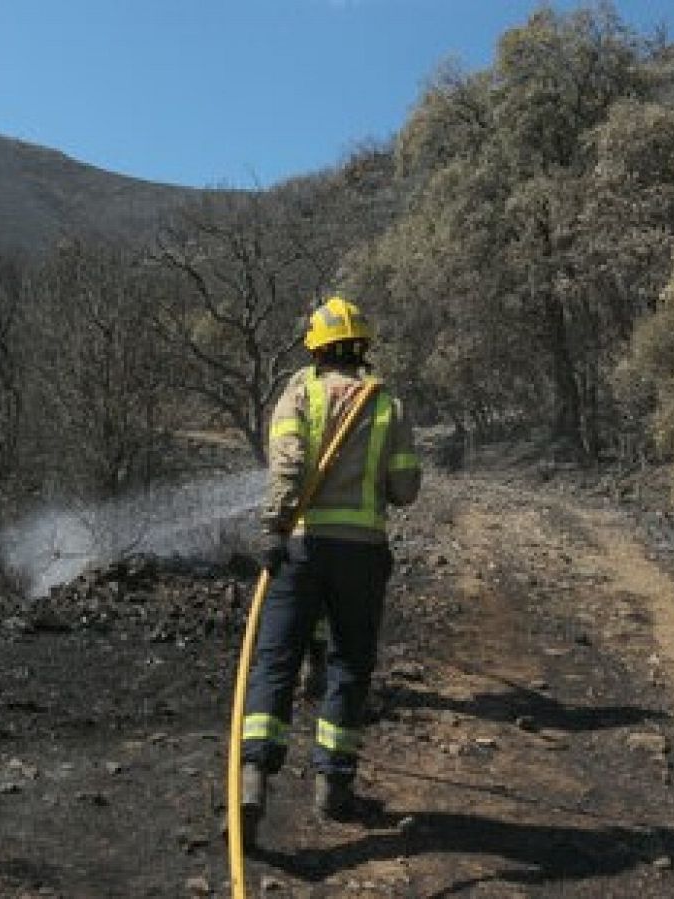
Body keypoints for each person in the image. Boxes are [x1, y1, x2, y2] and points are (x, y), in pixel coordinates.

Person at [240, 296, 422, 845]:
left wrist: (273, 529)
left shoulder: (298, 395)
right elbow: (405, 489)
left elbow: (288, 468)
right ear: (362, 348)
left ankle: (252, 778)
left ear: (315, 349)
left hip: (300, 549)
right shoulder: (386, 402)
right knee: (348, 665)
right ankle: (332, 786)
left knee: (274, 659)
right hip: (363, 556)